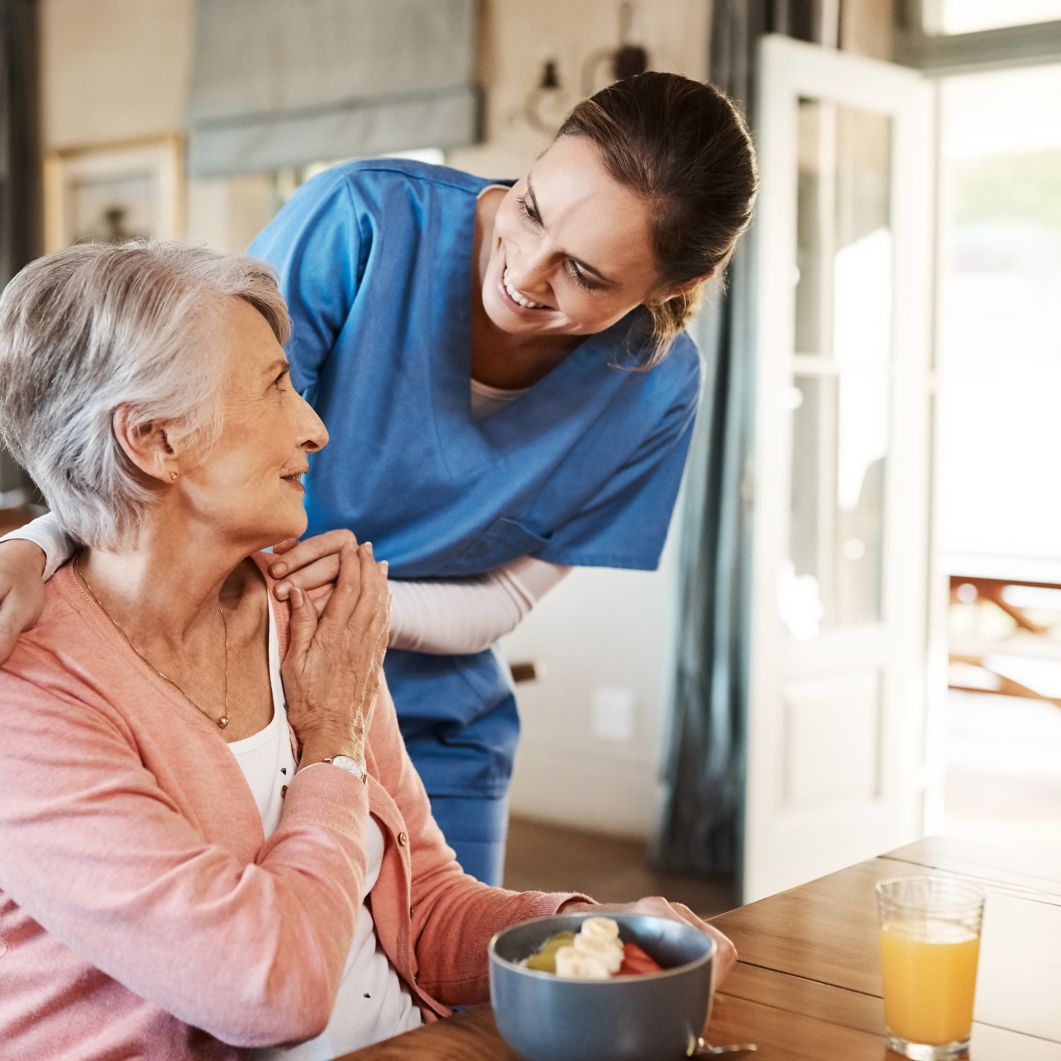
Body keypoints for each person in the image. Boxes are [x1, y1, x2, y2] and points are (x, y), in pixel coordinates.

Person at [0, 72, 758, 886]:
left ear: (670, 289)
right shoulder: (363, 221)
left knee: (446, 984)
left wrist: (362, 605)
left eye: (583, 273)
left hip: (435, 720)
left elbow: (504, 601)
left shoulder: (654, 389)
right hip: (234, 682)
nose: (524, 273)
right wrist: (38, 546)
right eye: (529, 207)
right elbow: (170, 429)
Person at [0, 242, 736, 1060]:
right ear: (154, 440)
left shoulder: (311, 616)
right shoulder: (27, 695)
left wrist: (585, 932)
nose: (314, 429)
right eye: (277, 386)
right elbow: (271, 989)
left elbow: (422, 911)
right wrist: (332, 748)